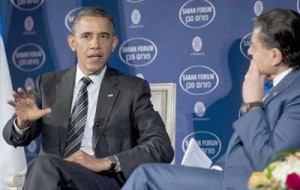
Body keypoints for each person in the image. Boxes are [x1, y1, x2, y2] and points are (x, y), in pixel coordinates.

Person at [122, 8, 300, 190]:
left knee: (146, 177)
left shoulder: (296, 95)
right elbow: (245, 146)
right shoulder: (273, 86)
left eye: (254, 46)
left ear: (275, 56)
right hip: (226, 174)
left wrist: (253, 104)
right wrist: (218, 166)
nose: (249, 51)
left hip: (243, 183)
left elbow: (273, 164)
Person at [2, 7, 174, 190]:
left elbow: (161, 146)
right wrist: (22, 123)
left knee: (42, 166)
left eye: (104, 36)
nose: (95, 44)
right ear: (72, 42)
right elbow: (13, 138)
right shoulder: (48, 85)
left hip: (104, 181)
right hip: (53, 177)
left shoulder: (132, 89)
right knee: (44, 167)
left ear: (113, 43)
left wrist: (106, 162)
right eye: (86, 36)